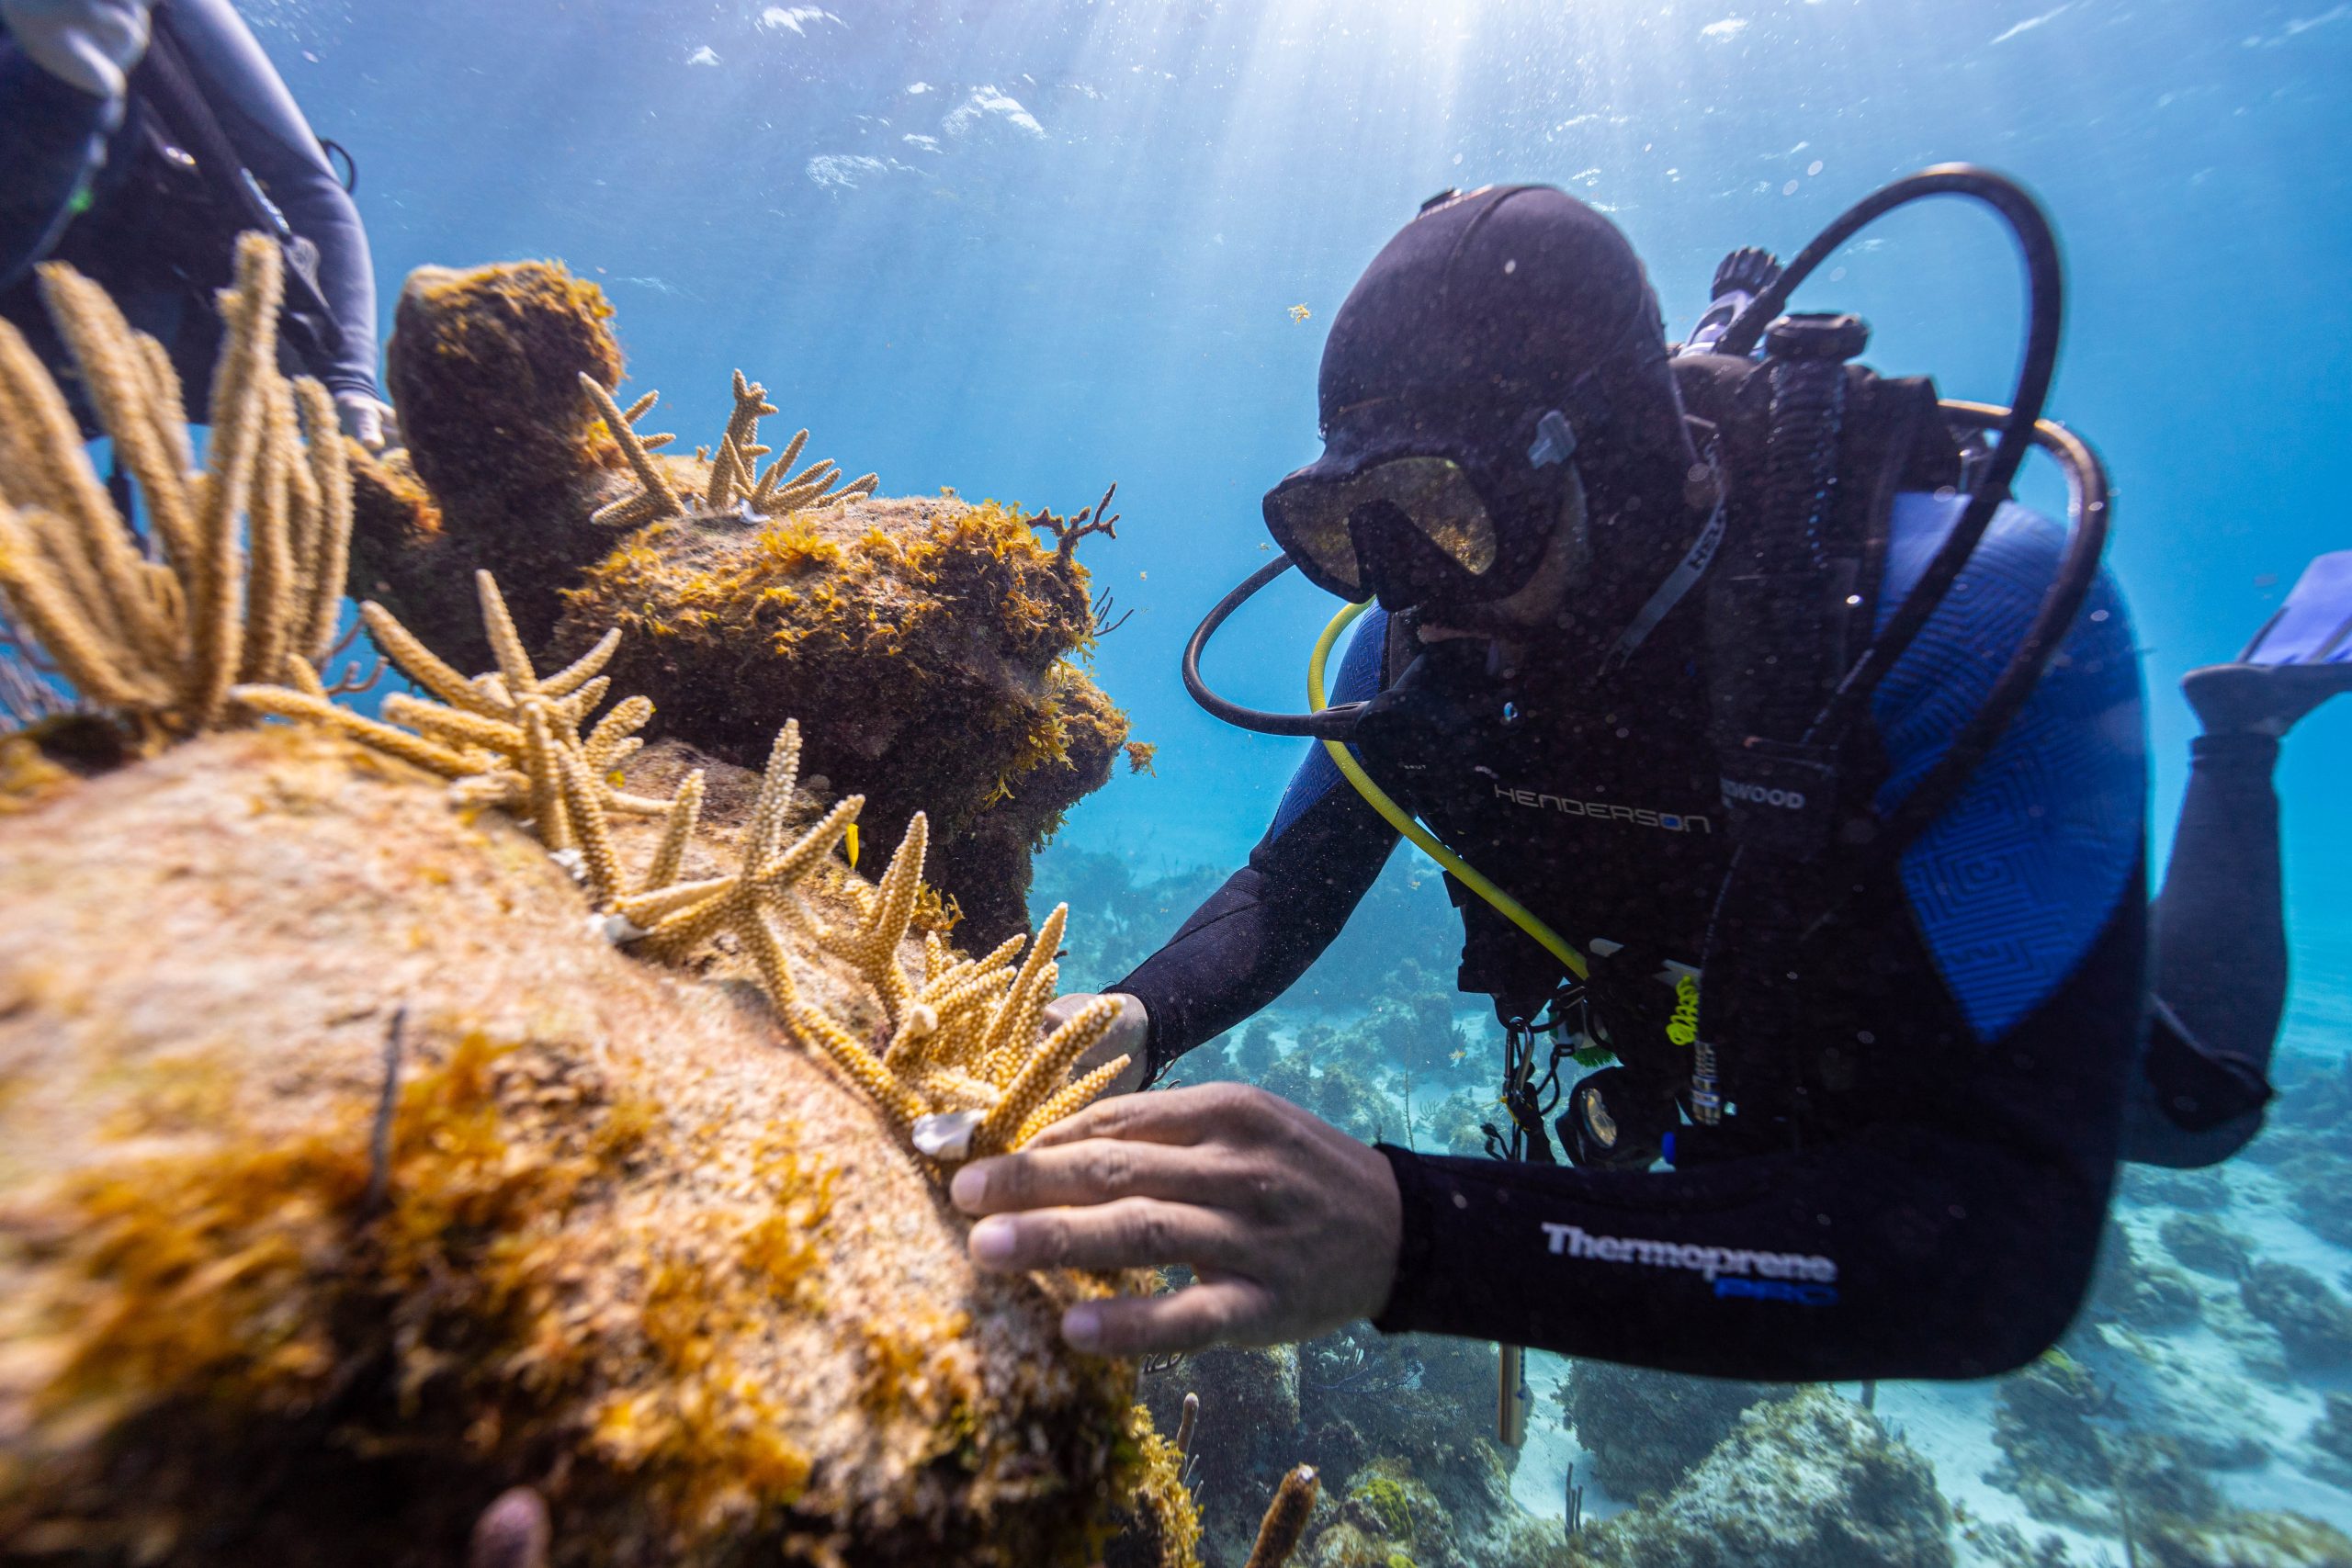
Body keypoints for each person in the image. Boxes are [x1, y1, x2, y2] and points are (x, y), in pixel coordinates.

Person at [944, 182, 2350, 1382]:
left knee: (2199, 1115)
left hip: (1896, 1016)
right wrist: (1126, 1013)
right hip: (1692, 1008)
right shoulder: (1428, 627)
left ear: (1613, 467)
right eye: (1349, 524)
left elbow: (2007, 1247)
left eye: (1451, 508)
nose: (1412, 592)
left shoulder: (1963, 613)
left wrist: (1418, 1231)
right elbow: (1286, 883)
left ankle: (2246, 732)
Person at [0, 0, 389, 446]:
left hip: (159, 309)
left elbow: (307, 187)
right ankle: (70, 85)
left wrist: (350, 382)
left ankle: (70, 84)